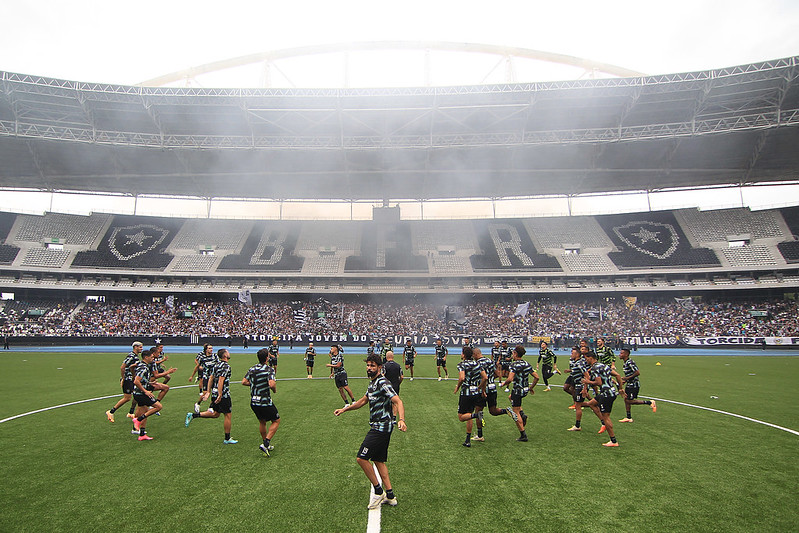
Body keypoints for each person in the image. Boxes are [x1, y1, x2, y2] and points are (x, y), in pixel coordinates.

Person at [334, 353, 407, 509]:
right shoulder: (372, 383)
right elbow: (363, 401)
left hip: (381, 427)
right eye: (368, 365)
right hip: (379, 427)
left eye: (372, 366)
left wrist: (401, 419)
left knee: (361, 458)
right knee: (378, 460)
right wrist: (344, 409)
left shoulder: (382, 383)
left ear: (380, 367)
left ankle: (378, 491)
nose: (369, 368)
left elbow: (398, 401)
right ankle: (390, 496)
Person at [185, 348, 238, 444]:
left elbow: (211, 378)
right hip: (223, 395)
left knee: (216, 414)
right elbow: (221, 380)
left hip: (214, 392)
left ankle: (193, 415)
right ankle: (227, 438)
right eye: (227, 352)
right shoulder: (226, 366)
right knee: (227, 415)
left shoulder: (216, 365)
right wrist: (220, 394)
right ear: (225, 355)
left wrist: (209, 391)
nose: (229, 353)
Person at [472, 347, 518, 442]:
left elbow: (482, 377)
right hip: (492, 388)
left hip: (483, 390)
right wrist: (491, 379)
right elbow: (497, 373)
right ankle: (506, 411)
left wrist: (481, 386)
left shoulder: (477, 363)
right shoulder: (490, 361)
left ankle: (480, 435)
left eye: (473, 355)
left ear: (475, 354)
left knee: (478, 411)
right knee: (493, 410)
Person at [582, 350, 626, 447]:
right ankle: (603, 423)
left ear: (591, 358)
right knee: (591, 403)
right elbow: (618, 375)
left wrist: (588, 382)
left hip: (606, 394)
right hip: (611, 392)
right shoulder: (603, 365)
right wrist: (620, 388)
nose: (586, 361)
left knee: (606, 416)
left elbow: (598, 383)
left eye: (586, 359)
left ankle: (613, 441)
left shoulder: (594, 368)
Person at [131, 349, 176, 440]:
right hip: (141, 393)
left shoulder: (142, 364)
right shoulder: (144, 368)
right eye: (151, 357)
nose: (153, 358)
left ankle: (142, 434)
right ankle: (138, 420)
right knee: (158, 407)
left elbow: (132, 368)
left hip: (138, 392)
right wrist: (145, 391)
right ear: (146, 357)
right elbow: (136, 381)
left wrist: (149, 383)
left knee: (145, 411)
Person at [242, 348, 280, 456]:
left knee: (262, 422)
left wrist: (256, 384)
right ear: (267, 358)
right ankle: (266, 442)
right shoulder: (269, 369)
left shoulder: (252, 368)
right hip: (264, 401)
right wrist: (274, 390)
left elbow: (244, 382)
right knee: (276, 420)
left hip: (254, 401)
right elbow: (272, 384)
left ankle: (265, 445)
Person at [501, 345, 539, 442]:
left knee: (515, 412)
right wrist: (531, 388)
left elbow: (510, 379)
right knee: (510, 397)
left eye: (513, 353)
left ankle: (523, 434)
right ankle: (522, 414)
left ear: (515, 353)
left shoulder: (513, 365)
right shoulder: (526, 363)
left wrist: (503, 384)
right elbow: (536, 377)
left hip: (517, 390)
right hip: (525, 390)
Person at [454, 346, 487, 447]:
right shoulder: (477, 364)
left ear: (464, 355)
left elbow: (462, 378)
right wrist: (480, 387)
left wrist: (457, 387)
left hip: (466, 393)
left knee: (461, 417)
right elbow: (485, 377)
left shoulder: (461, 364)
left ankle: (477, 415)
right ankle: (467, 440)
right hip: (475, 393)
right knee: (469, 415)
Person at [105, 341, 143, 423]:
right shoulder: (131, 356)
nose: (141, 348)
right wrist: (123, 378)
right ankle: (111, 412)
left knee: (137, 394)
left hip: (132, 379)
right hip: (128, 379)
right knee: (127, 398)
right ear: (135, 347)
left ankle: (131, 412)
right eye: (140, 347)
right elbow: (122, 367)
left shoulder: (135, 356)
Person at [618, 349, 656, 423]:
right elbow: (630, 374)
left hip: (634, 385)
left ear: (626, 354)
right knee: (626, 399)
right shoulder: (625, 363)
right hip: (629, 384)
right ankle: (628, 417)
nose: (619, 354)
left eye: (621, 353)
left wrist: (627, 378)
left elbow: (637, 372)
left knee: (629, 401)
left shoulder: (630, 362)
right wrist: (625, 381)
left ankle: (649, 402)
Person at [566, 347, 593, 431]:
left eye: (572, 353)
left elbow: (587, 375)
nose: (571, 354)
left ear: (577, 354)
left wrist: (585, 388)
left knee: (578, 405)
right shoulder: (576, 362)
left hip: (581, 385)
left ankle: (577, 426)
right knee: (578, 404)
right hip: (578, 385)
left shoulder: (580, 363)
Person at [189, 343, 214, 414]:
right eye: (209, 348)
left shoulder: (215, 356)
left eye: (211, 348)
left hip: (213, 377)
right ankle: (198, 403)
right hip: (206, 377)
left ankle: (211, 407)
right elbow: (197, 366)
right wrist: (192, 376)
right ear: (206, 350)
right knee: (205, 393)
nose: (211, 349)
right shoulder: (202, 358)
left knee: (215, 392)